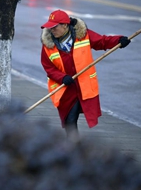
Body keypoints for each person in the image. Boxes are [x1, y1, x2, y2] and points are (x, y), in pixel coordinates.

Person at [40, 9, 130, 139]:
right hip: (65, 89)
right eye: (50, 27)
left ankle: (73, 149)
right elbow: (48, 67)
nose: (51, 30)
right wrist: (62, 77)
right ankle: (74, 149)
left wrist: (119, 41)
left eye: (54, 27)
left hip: (83, 86)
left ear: (65, 25)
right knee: (69, 121)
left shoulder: (83, 35)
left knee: (71, 120)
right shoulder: (48, 45)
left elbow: (102, 41)